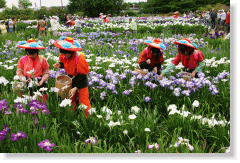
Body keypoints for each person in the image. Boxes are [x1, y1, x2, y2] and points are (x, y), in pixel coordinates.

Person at [52, 37, 91, 117]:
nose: (64, 55)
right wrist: (60, 65)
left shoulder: (80, 58)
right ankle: (71, 116)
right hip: (71, 79)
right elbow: (67, 64)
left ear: (71, 51)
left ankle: (87, 118)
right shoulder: (65, 56)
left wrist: (76, 88)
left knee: (83, 101)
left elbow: (82, 75)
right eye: (63, 53)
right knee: (71, 99)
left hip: (81, 80)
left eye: (66, 53)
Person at [16, 39, 50, 104]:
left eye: (33, 53)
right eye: (29, 54)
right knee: (28, 99)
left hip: (39, 81)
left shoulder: (42, 59)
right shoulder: (23, 59)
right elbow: (19, 71)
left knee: (41, 100)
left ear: (37, 51)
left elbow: (46, 72)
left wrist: (42, 81)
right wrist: (24, 80)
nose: (31, 56)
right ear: (26, 52)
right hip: (27, 80)